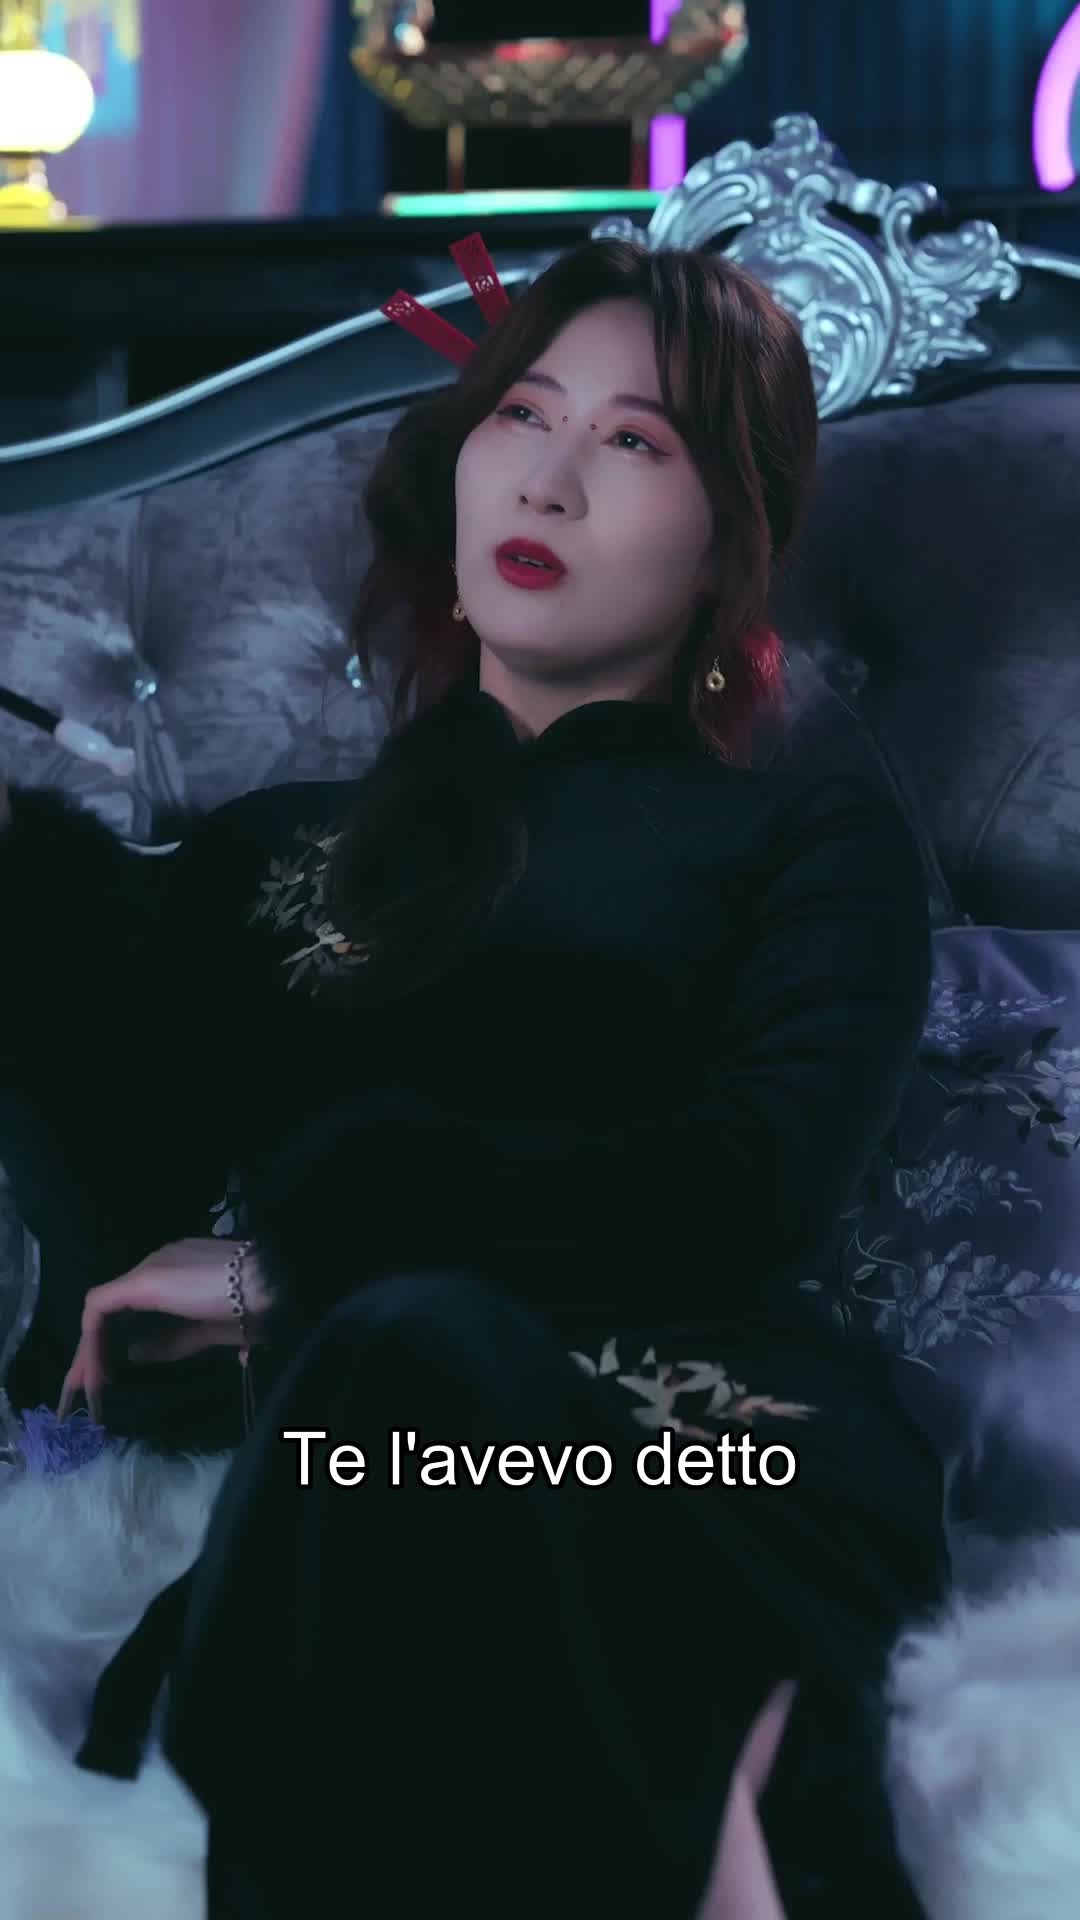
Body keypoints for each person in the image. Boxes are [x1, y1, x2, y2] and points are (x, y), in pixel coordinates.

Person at [0, 237, 946, 1916]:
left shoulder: (808, 839)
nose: (551, 479)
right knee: (393, 1390)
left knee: (413, 1361)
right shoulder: (271, 852)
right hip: (363, 1458)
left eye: (635, 440)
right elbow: (115, 1246)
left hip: (708, 1442)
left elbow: (753, 1181)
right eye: (524, 413)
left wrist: (307, 1256)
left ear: (728, 538)